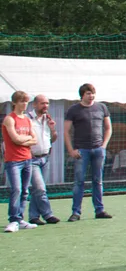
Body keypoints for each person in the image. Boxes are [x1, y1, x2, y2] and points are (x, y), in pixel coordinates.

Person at [64, 83, 113, 221]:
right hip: (81, 151)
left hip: (98, 150)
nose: (91, 96)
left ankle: (99, 210)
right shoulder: (73, 110)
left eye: (93, 93)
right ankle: (76, 212)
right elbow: (66, 131)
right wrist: (71, 150)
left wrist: (103, 146)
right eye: (88, 93)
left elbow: (108, 128)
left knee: (98, 181)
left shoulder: (102, 107)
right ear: (82, 95)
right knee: (79, 182)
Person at [3, 91, 39, 233]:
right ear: (14, 103)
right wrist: (26, 138)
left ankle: (20, 219)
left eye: (26, 101)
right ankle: (13, 220)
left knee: (24, 190)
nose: (24, 104)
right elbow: (15, 139)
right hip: (13, 160)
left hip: (27, 159)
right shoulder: (9, 119)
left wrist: (24, 139)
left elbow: (35, 140)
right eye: (21, 101)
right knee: (16, 189)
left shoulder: (27, 120)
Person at [27, 94, 60, 225]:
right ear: (34, 104)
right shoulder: (27, 119)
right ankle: (48, 214)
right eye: (42, 103)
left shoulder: (48, 119)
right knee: (40, 189)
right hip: (32, 159)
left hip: (45, 158)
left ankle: (33, 217)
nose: (45, 106)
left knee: (38, 189)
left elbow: (53, 139)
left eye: (47, 103)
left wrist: (53, 129)